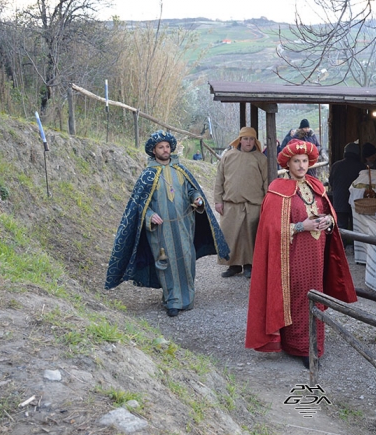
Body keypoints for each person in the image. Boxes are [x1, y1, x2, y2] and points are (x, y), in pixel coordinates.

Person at [245, 140, 357, 368]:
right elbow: (270, 230)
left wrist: (329, 220)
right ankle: (301, 347)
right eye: (296, 161)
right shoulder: (277, 191)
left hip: (317, 255)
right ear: (288, 164)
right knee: (298, 297)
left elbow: (329, 214)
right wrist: (300, 227)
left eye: (305, 161)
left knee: (316, 295)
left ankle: (315, 344)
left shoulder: (316, 186)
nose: (301, 165)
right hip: (292, 257)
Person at [105, 130, 230, 317]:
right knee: (166, 263)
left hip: (184, 226)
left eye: (167, 146)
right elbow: (138, 205)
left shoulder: (181, 170)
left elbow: (191, 191)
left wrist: (197, 199)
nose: (165, 150)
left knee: (187, 260)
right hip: (160, 231)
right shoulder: (148, 175)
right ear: (153, 151)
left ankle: (187, 298)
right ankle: (172, 300)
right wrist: (149, 215)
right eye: (160, 147)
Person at [214, 127, 268, 278]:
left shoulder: (261, 159)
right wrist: (218, 200)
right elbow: (219, 179)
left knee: (251, 236)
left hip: (253, 205)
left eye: (251, 139)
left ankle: (249, 265)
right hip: (231, 204)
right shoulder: (228, 156)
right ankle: (234, 265)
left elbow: (266, 182)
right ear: (240, 140)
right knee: (231, 236)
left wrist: (267, 203)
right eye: (245, 139)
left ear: (255, 141)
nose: (248, 142)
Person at [328, 142, 366, 234]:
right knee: (356, 227)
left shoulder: (336, 165)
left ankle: (342, 247)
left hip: (339, 201)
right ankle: (354, 247)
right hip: (355, 202)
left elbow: (331, 181)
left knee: (341, 227)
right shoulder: (361, 167)